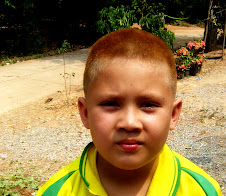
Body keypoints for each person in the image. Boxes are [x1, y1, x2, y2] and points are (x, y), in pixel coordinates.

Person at [36, 28, 222, 196]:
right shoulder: (57, 191)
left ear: (173, 115)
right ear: (85, 114)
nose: (130, 123)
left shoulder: (201, 190)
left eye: (148, 104)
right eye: (111, 104)